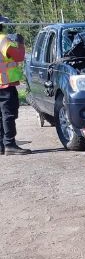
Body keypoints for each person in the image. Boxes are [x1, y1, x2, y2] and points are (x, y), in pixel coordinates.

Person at [0, 14, 30, 155]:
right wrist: (21, 43)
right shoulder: (2, 40)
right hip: (5, 84)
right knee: (8, 114)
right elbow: (18, 56)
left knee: (1, 115)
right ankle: (10, 144)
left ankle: (2, 145)